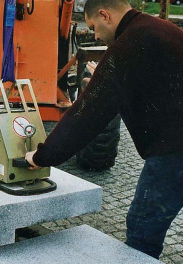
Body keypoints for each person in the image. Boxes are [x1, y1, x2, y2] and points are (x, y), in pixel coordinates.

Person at [25, 0, 183, 259]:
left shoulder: (127, 46)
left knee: (143, 228)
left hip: (173, 154)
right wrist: (113, 76)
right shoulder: (160, 29)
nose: (96, 35)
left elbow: (86, 114)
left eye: (93, 27)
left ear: (104, 15)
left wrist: (42, 156)